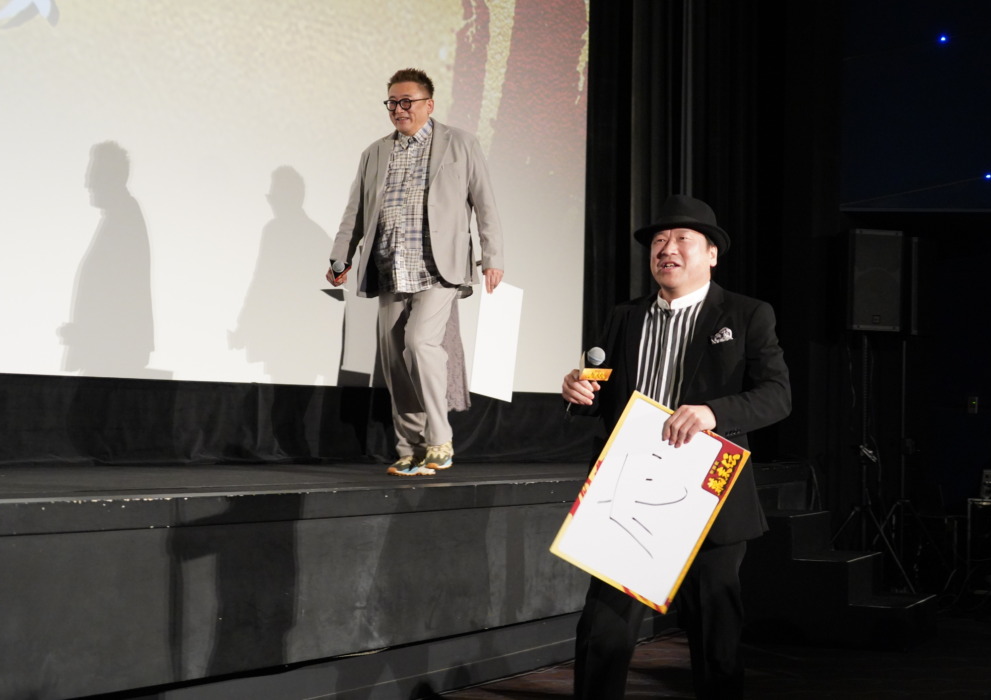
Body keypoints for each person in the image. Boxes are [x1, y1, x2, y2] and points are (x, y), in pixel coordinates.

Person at [561, 194, 791, 699]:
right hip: (630, 494)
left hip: (710, 492)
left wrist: (714, 413)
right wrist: (578, 389)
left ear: (712, 253)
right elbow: (598, 387)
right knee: (603, 632)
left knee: (715, 638)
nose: (667, 249)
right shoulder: (625, 316)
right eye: (659, 241)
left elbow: (777, 396)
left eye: (683, 239)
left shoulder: (747, 314)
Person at [326, 68, 504, 476]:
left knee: (420, 342)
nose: (398, 109)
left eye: (407, 101)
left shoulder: (460, 143)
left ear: (429, 104)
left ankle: (440, 439)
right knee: (394, 361)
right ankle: (410, 447)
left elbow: (485, 203)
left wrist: (493, 256)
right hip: (390, 266)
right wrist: (341, 258)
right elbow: (355, 213)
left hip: (439, 268)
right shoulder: (374, 153)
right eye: (392, 102)